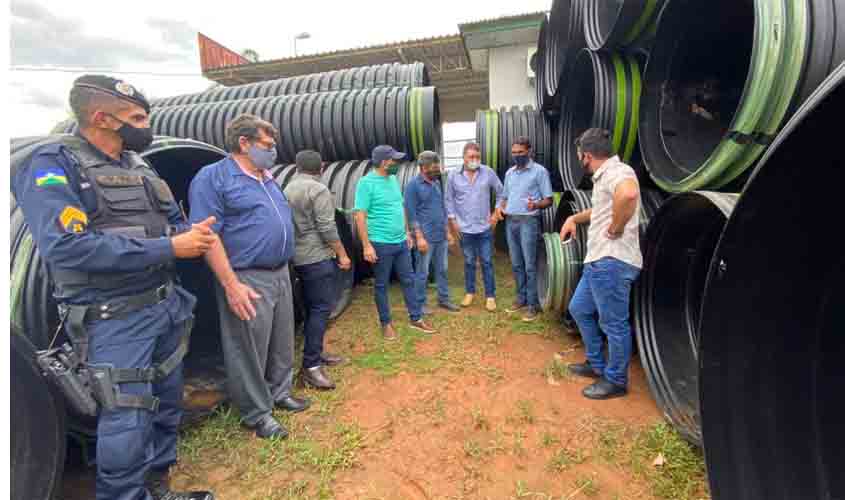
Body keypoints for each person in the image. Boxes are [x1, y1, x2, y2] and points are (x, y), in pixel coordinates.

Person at [12, 75, 215, 500]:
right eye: (137, 117)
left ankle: (158, 487)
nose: (146, 125)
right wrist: (170, 246)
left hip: (165, 306)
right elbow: (67, 247)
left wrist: (188, 234)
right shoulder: (53, 163)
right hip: (114, 319)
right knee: (127, 419)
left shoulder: (138, 165)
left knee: (166, 404)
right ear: (102, 118)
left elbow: (166, 223)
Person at [188, 114, 310, 440]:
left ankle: (279, 392)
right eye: (267, 146)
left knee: (282, 339)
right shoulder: (214, 177)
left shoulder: (266, 176)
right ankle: (256, 413)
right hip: (246, 275)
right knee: (248, 348)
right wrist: (231, 284)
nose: (273, 152)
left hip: (280, 271)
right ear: (244, 143)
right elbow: (207, 235)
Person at [559, 128, 642, 400]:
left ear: (587, 155)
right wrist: (573, 219)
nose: (578, 160)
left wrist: (616, 228)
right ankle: (596, 363)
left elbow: (628, 195)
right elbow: (601, 208)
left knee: (613, 324)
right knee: (579, 309)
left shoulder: (619, 172)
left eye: (579, 155)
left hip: (612, 262)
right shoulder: (604, 177)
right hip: (599, 262)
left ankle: (616, 380)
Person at [284, 150, 352, 390]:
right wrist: (342, 254)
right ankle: (311, 367)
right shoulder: (318, 190)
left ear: (296, 166)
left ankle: (316, 351)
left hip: (298, 257)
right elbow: (327, 226)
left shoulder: (288, 188)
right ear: (321, 167)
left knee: (312, 308)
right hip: (317, 257)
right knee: (322, 308)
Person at [354, 145, 437, 340]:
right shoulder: (366, 184)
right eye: (394, 161)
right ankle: (386, 323)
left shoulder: (392, 179)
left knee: (408, 279)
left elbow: (399, 207)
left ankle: (416, 318)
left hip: (400, 241)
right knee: (382, 285)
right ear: (384, 162)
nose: (397, 164)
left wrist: (407, 232)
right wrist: (367, 245)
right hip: (380, 244)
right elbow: (360, 216)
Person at [494, 136, 553, 322]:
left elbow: (549, 199)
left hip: (529, 222)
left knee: (530, 265)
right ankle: (521, 299)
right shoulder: (510, 173)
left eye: (520, 152)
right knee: (517, 263)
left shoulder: (539, 172)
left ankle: (533, 305)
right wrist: (499, 208)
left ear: (529, 151)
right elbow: (504, 196)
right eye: (514, 153)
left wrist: (535, 205)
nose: (517, 155)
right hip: (511, 222)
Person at [444, 142, 503, 312]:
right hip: (464, 228)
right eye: (471, 157)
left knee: (486, 261)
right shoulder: (453, 175)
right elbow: (448, 200)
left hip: (484, 227)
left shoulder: (488, 172)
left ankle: (490, 296)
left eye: (477, 157)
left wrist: (496, 211)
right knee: (469, 261)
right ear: (464, 157)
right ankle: (470, 292)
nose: (474, 160)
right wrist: (453, 221)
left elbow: (501, 191)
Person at [404, 151, 458, 315]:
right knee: (423, 272)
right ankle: (420, 304)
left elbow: (441, 209)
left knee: (442, 269)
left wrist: (447, 231)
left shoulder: (436, 183)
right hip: (425, 238)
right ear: (423, 167)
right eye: (433, 168)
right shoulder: (412, 186)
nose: (437, 170)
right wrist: (419, 237)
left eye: (438, 167)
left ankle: (444, 299)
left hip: (440, 236)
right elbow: (411, 213)